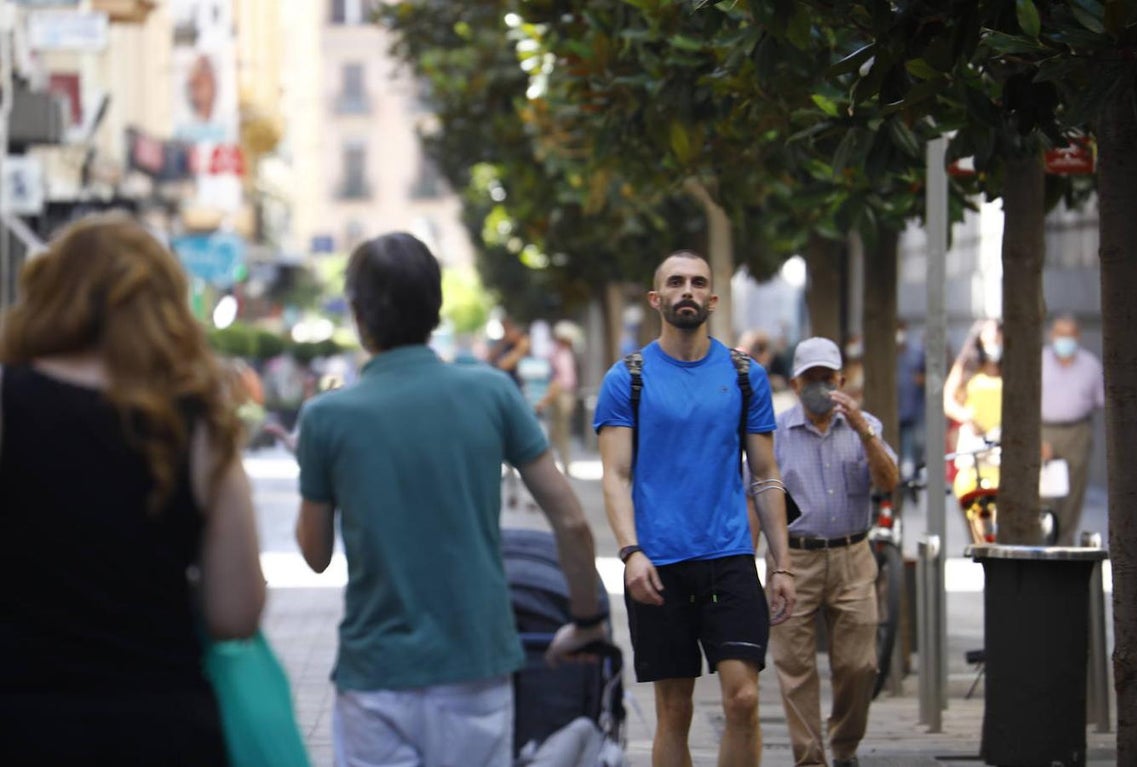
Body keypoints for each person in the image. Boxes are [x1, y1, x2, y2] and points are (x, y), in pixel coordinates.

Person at [292, 232, 605, 767]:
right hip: (476, 666)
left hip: (376, 675)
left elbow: (316, 554)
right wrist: (585, 620)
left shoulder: (327, 418)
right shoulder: (492, 392)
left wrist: (317, 468)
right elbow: (571, 520)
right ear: (435, 309)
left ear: (358, 314)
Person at [0, 213, 266, 762]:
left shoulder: (8, 404)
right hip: (163, 725)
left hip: (25, 721)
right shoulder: (198, 424)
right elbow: (234, 612)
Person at [594, 250, 796, 767]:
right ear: (657, 299)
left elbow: (766, 474)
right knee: (674, 710)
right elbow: (615, 477)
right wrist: (630, 552)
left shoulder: (744, 374)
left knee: (744, 698)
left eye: (698, 282)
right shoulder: (628, 378)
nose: (688, 290)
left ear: (712, 297)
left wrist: (782, 564)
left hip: (728, 557)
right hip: (657, 564)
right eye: (676, 282)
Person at [770, 337, 899, 767]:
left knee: (859, 665)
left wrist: (863, 429)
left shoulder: (868, 428)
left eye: (828, 378)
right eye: (812, 379)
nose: (820, 387)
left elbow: (888, 482)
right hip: (794, 560)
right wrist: (761, 566)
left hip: (852, 557)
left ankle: (844, 746)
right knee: (795, 668)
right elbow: (758, 499)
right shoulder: (775, 434)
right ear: (795, 382)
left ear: (842, 381)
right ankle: (810, 759)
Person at [1040, 314, 1104, 545]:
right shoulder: (1039, 361)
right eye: (1060, 334)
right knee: (1044, 491)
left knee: (1074, 489)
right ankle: (1044, 540)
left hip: (1077, 430)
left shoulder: (1090, 365)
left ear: (1078, 336)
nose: (1064, 340)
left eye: (1069, 335)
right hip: (1045, 430)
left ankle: (1065, 540)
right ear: (1051, 335)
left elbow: (1100, 401)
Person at [943, 319, 1004, 499]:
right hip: (974, 438)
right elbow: (948, 401)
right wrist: (967, 418)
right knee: (972, 495)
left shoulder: (1010, 367)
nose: (995, 343)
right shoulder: (967, 366)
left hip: (1002, 439)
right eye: (990, 339)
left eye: (999, 338)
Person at [535, 320, 582, 475]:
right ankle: (555, 464)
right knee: (558, 432)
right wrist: (547, 399)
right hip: (559, 393)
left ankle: (561, 464)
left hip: (566, 393)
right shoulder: (556, 353)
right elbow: (556, 379)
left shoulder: (566, 352)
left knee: (561, 432)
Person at [896, 320, 927, 478]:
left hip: (914, 413)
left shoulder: (917, 353)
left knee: (916, 450)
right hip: (894, 415)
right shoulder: (888, 356)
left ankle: (913, 481)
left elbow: (929, 375)